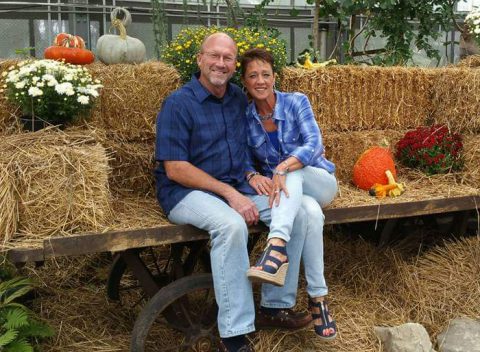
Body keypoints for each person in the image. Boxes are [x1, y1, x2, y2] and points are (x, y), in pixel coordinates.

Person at [155, 32, 332, 352]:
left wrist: (250, 176)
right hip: (185, 192)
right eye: (214, 56)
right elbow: (175, 169)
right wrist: (231, 193)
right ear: (200, 59)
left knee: (302, 210)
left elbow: (250, 150)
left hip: (236, 187)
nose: (220, 63)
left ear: (234, 65)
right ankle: (234, 332)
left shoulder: (238, 98)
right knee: (231, 225)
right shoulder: (179, 104)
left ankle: (274, 306)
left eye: (227, 58)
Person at [240, 48, 338, 339]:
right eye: (253, 75)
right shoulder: (245, 118)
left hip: (318, 180)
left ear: (275, 77)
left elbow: (313, 145)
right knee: (308, 213)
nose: (260, 81)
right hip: (291, 194)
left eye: (266, 74)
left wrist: (281, 167)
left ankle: (277, 244)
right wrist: (252, 174)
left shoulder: (297, 102)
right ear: (244, 82)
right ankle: (317, 299)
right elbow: (243, 158)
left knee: (293, 170)